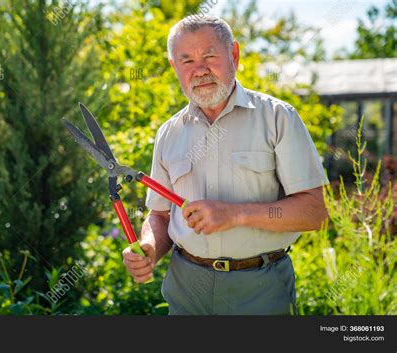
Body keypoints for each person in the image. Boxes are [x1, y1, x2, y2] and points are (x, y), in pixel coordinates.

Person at [122, 16, 329, 315]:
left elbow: (316, 211)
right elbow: (160, 216)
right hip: (186, 290)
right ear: (174, 67)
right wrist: (150, 248)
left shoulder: (278, 118)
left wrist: (236, 214)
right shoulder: (169, 133)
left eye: (209, 56)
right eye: (187, 61)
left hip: (260, 288)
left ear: (234, 55)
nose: (200, 69)